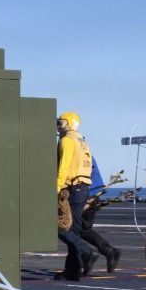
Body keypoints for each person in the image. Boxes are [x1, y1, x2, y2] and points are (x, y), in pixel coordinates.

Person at [55, 111, 97, 280]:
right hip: (84, 187)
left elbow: (64, 167)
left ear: (70, 123)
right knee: (74, 230)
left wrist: (57, 187)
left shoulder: (67, 140)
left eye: (62, 122)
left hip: (73, 187)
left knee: (61, 227)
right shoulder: (82, 141)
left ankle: (86, 253)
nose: (59, 125)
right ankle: (73, 270)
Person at [78, 153, 122, 274]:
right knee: (82, 228)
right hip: (94, 191)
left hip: (83, 193)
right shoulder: (84, 148)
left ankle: (88, 255)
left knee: (72, 228)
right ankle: (107, 251)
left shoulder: (71, 145)